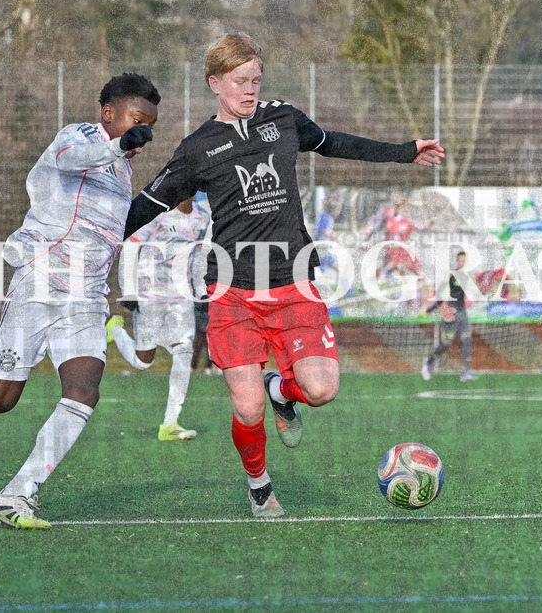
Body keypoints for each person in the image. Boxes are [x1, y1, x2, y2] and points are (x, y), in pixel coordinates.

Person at [123, 33, 443, 517]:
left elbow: (333, 142)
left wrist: (404, 151)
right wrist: (98, 239)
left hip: (293, 280)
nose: (249, 90)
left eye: (255, 79)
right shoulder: (198, 148)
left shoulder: (283, 118)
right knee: (247, 409)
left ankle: (281, 390)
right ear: (214, 83)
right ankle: (259, 484)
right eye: (239, 81)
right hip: (232, 290)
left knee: (321, 390)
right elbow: (150, 201)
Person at [0, 72, 161, 529]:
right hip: (40, 283)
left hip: (86, 299)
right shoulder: (78, 137)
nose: (142, 134)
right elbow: (73, 158)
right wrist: (118, 144)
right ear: (109, 114)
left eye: (149, 126)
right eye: (136, 121)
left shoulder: (124, 173)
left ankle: (16, 493)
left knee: (84, 392)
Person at [106, 195, 210, 441]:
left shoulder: (201, 218)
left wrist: (202, 289)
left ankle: (170, 424)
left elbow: (199, 257)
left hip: (181, 297)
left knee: (184, 351)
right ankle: (116, 330)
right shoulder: (158, 215)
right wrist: (128, 290)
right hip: (150, 294)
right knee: (143, 362)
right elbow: (131, 246)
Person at [422, 251, 476, 383]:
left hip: (462, 314)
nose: (462, 262)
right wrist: (432, 309)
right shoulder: (451, 276)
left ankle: (466, 372)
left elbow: (470, 295)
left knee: (467, 341)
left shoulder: (467, 277)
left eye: (464, 260)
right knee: (446, 344)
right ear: (457, 261)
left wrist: (472, 299)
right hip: (450, 315)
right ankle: (428, 363)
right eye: (460, 260)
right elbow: (439, 294)